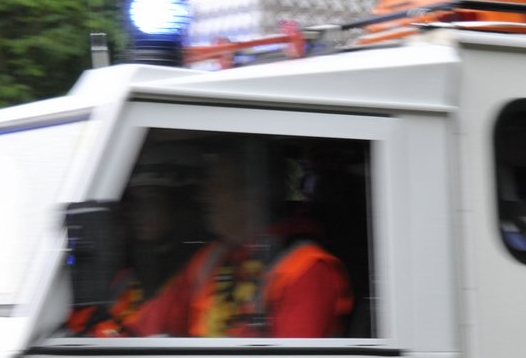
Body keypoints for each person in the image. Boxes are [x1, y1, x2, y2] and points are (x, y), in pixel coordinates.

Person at [116, 139, 353, 338]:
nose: (204, 196)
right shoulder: (212, 258)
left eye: (216, 184)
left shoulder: (307, 268)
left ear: (250, 194)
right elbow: (147, 325)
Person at [68, 141, 204, 336]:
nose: (138, 213)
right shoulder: (126, 276)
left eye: (150, 200)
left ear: (177, 206)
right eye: (134, 203)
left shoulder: (195, 272)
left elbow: (146, 333)